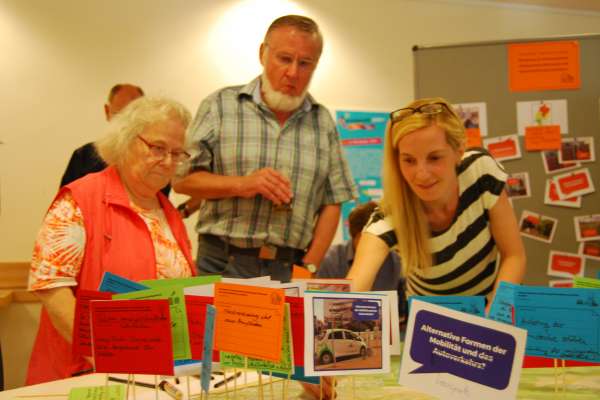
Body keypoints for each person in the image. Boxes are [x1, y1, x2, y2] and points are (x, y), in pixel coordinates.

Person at [174, 15, 357, 282]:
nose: (293, 72)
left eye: (305, 63)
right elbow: (182, 180)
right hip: (221, 263)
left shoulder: (323, 122)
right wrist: (243, 184)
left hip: (289, 270)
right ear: (263, 53)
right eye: (284, 59)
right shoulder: (220, 106)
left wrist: (310, 266)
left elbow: (333, 200)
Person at [27, 96, 195, 384]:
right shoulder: (80, 199)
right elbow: (51, 288)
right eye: (158, 148)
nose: (168, 161)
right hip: (87, 376)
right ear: (126, 140)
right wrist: (109, 358)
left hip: (154, 375)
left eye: (177, 153)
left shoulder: (170, 215)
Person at [347, 97, 526, 309]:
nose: (421, 175)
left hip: (490, 305)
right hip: (429, 322)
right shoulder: (389, 216)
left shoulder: (481, 171)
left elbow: (514, 256)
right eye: (409, 160)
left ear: (459, 150)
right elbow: (353, 290)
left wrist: (494, 315)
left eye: (434, 158)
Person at [59, 84, 170, 196]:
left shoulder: (157, 161)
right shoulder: (83, 156)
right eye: (120, 115)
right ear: (107, 111)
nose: (127, 124)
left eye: (134, 117)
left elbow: (159, 206)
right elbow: (66, 204)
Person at [317, 201, 402, 292]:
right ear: (357, 236)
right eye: (375, 238)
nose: (379, 244)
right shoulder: (329, 260)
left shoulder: (396, 262)